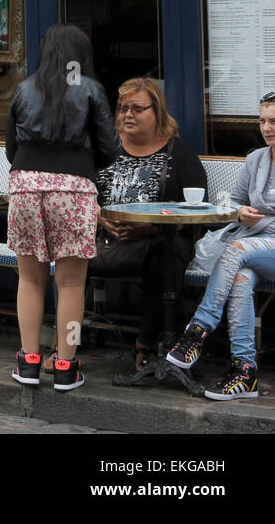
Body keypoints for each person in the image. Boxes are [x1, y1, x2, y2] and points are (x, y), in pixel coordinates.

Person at [5, 24, 117, 391]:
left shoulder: (23, 88)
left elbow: (11, 147)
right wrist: (80, 164)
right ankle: (66, 365)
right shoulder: (90, 89)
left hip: (25, 186)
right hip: (73, 187)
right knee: (70, 283)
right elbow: (110, 147)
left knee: (29, 278)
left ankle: (29, 361)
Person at [166, 94, 275, 399]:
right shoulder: (257, 159)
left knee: (237, 251)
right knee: (240, 277)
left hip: (252, 245)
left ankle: (196, 332)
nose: (267, 128)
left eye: (274, 121)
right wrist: (240, 212)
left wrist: (259, 220)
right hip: (255, 247)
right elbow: (236, 201)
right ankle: (245, 371)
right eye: (263, 120)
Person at [92, 77, 206, 369]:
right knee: (67, 250)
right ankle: (63, 341)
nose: (127, 114)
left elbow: (197, 208)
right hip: (103, 239)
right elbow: (81, 191)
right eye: (122, 108)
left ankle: (148, 341)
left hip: (158, 239)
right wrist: (101, 217)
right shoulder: (104, 149)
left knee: (167, 259)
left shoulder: (178, 153)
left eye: (137, 108)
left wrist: (152, 227)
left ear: (157, 111)